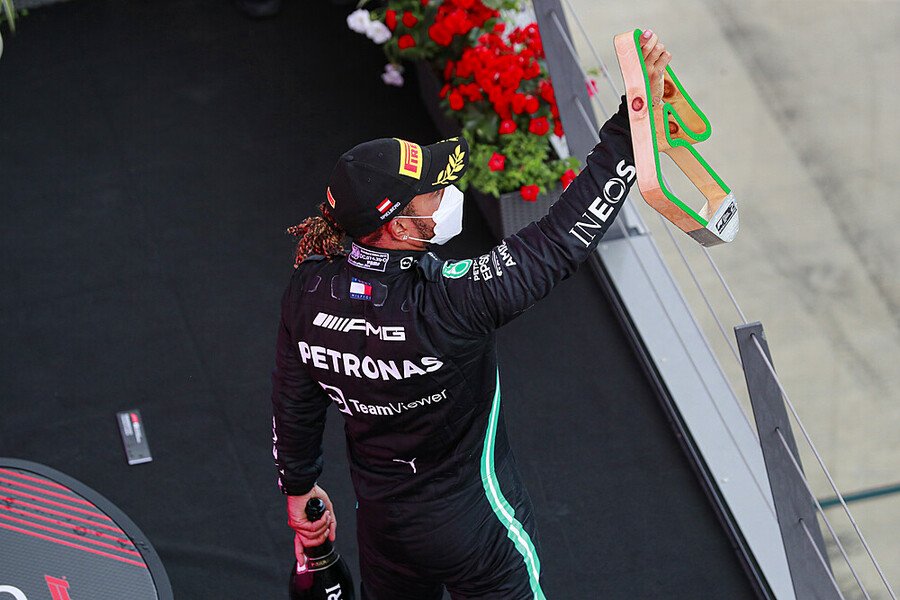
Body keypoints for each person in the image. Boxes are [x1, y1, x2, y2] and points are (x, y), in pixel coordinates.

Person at [271, 29, 671, 600]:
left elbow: (295, 398)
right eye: (433, 193)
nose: (447, 192)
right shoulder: (449, 301)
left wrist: (298, 487)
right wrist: (632, 131)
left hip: (384, 529)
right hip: (475, 530)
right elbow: (559, 242)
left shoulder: (307, 289)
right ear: (398, 227)